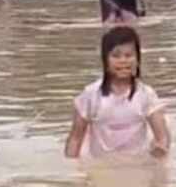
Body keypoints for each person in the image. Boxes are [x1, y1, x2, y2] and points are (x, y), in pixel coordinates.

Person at [65, 26, 170, 160]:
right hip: (100, 167)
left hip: (136, 167)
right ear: (105, 60)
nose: (123, 61)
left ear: (137, 60)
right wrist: (72, 174)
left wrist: (160, 154)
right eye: (116, 55)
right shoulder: (91, 95)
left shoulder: (146, 95)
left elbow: (162, 137)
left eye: (129, 55)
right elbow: (75, 139)